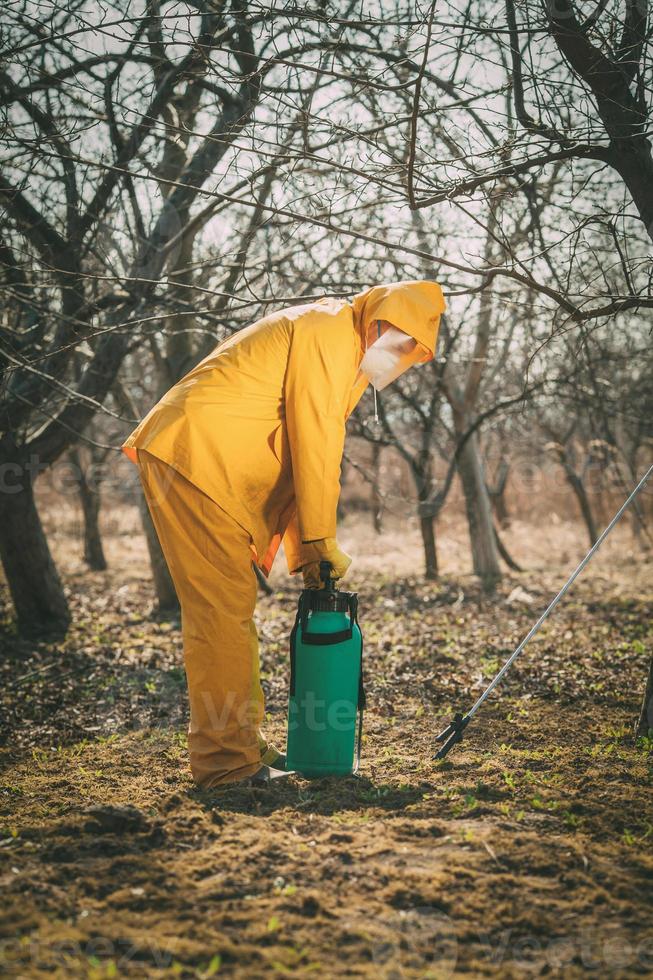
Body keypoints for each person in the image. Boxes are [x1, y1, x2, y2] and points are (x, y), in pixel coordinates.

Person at [121, 279, 446, 787]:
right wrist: (318, 544)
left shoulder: (341, 343)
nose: (401, 357)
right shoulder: (330, 334)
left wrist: (308, 556)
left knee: (232, 613)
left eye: (412, 352)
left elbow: (298, 458)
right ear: (382, 320)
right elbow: (315, 447)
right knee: (220, 617)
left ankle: (240, 741)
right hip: (198, 459)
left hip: (205, 462)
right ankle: (226, 765)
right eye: (402, 341)